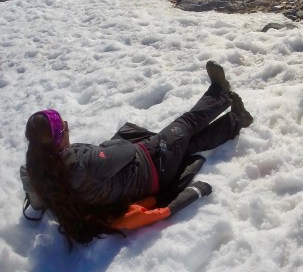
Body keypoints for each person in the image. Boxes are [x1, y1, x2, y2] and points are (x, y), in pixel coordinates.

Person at [21, 61, 253, 248]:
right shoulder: (84, 164)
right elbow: (127, 149)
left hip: (130, 184)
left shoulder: (37, 171)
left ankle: (235, 121)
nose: (68, 127)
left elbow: (37, 201)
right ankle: (220, 92)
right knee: (183, 125)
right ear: (59, 138)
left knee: (183, 144)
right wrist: (104, 149)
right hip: (151, 168)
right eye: (64, 127)